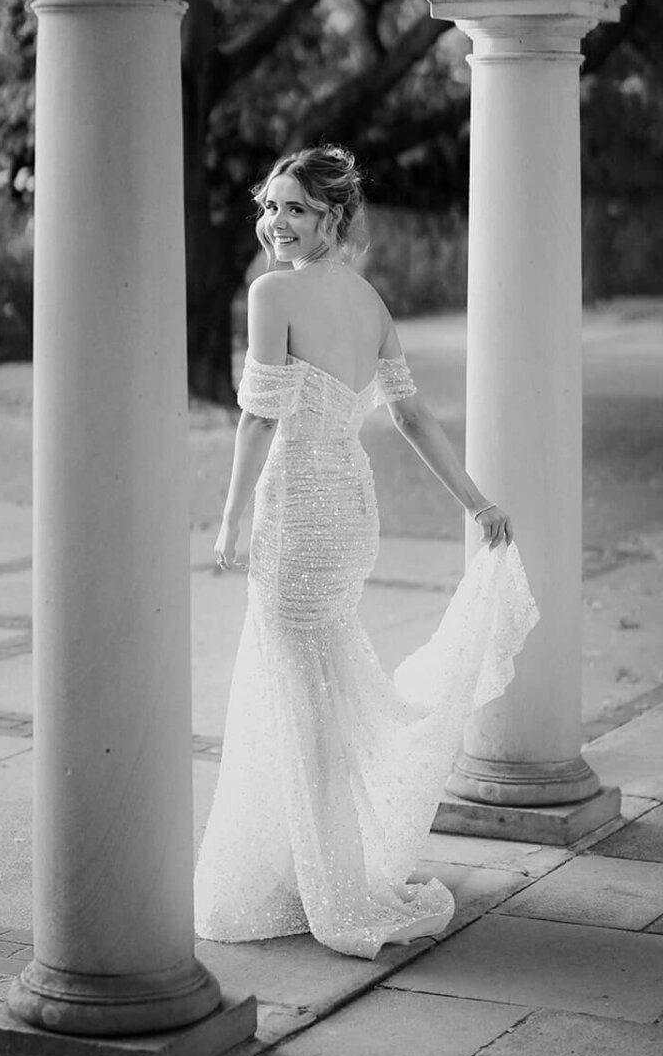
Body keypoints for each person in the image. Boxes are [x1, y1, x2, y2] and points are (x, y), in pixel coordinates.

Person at [194, 144, 538, 959]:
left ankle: (326, 883)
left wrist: (231, 519)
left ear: (333, 218)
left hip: (298, 508)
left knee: (295, 689)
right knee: (317, 685)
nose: (276, 223)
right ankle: (316, 866)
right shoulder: (369, 301)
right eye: (270, 207)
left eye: (296, 210)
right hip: (349, 509)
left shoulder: (272, 292)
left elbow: (258, 417)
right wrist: (477, 501)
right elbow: (412, 420)